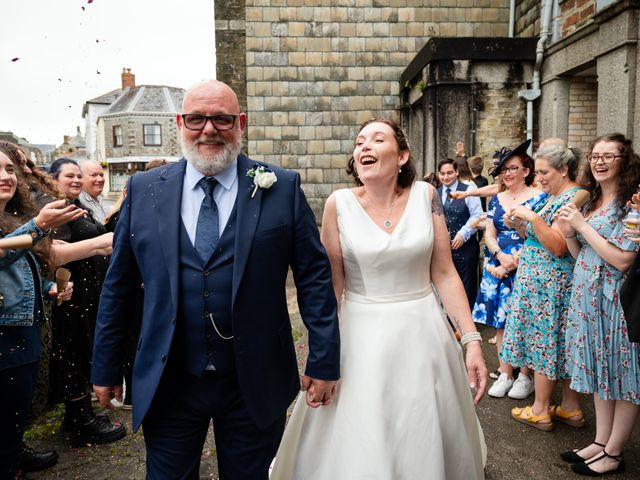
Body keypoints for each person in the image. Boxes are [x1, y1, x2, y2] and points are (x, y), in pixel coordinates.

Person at [90, 79, 340, 479]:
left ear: (240, 123)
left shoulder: (282, 186)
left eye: (222, 119)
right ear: (180, 123)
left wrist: (324, 359)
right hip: (169, 378)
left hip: (254, 378)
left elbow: (313, 278)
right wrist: (104, 368)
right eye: (196, 119)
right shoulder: (144, 189)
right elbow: (118, 286)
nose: (209, 129)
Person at [271, 118, 487, 479]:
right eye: (359, 143)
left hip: (423, 332)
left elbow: (445, 273)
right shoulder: (337, 204)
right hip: (359, 332)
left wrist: (472, 339)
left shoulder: (425, 195)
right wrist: (319, 353)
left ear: (402, 155)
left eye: (376, 139)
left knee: (421, 426)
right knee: (361, 428)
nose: (364, 147)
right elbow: (332, 285)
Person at [556, 133, 640, 476]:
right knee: (600, 372)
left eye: (610, 156)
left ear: (626, 162)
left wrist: (580, 226)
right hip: (588, 299)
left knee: (624, 377)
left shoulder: (632, 205)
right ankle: (600, 441)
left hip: (617, 303)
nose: (600, 161)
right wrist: (568, 234)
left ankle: (615, 453)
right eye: (595, 156)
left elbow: (622, 260)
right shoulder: (591, 204)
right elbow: (582, 256)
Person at [0, 150, 81, 480]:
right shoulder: (26, 226)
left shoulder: (11, 220)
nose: (6, 176)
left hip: (24, 333)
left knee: (11, 431)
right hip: (4, 341)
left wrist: (48, 287)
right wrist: (39, 226)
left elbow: (14, 270)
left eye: (8, 169)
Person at [499, 145, 585, 430]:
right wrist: (519, 224)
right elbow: (536, 236)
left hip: (550, 283)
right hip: (540, 280)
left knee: (545, 342)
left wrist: (532, 217)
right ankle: (570, 408)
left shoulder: (572, 197)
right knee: (560, 342)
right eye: (538, 172)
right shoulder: (554, 195)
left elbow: (559, 246)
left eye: (545, 172)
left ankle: (540, 409)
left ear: (564, 170)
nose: (540, 177)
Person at [47, 157, 124, 448]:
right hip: (70, 293)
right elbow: (54, 252)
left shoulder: (75, 206)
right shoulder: (56, 209)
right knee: (72, 353)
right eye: (70, 176)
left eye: (80, 176)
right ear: (53, 179)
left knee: (81, 349)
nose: (77, 181)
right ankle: (81, 420)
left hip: (88, 292)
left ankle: (77, 414)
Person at [472, 139, 546, 399]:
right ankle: (505, 372)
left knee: (523, 320)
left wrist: (514, 260)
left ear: (526, 171)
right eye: (504, 170)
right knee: (500, 323)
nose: (508, 173)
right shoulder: (496, 199)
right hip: (497, 262)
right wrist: (499, 255)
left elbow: (540, 235)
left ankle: (525, 376)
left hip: (526, 264)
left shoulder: (539, 198)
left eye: (513, 168)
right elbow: (489, 234)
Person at [437, 158, 483, 307]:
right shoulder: (435, 193)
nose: (446, 177)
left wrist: (463, 233)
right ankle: (451, 325)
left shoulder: (468, 189)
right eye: (442, 173)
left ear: (456, 172)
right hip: (444, 252)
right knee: (447, 289)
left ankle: (466, 328)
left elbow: (477, 215)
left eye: (449, 173)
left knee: (466, 288)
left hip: (466, 250)